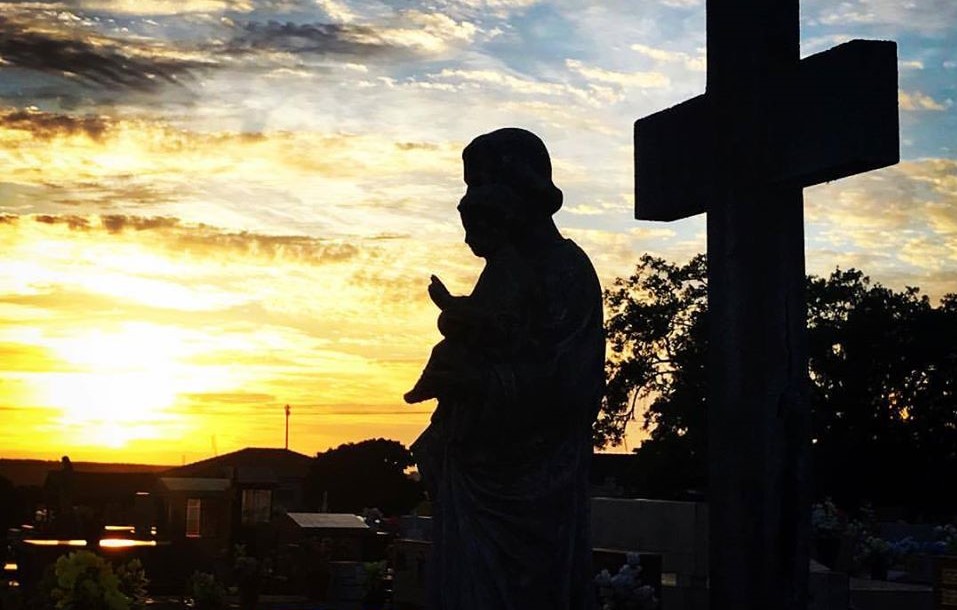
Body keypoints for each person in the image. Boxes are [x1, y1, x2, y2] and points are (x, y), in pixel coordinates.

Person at [410, 128, 605, 610]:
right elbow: (485, 337)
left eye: (482, 189)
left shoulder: (565, 269)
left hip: (533, 489)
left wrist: (479, 380)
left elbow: (572, 387)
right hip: (476, 471)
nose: (473, 206)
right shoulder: (504, 266)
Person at [403, 183, 539, 417]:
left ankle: (428, 385)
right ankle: (427, 386)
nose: (467, 240)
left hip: (502, 346)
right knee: (443, 350)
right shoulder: (499, 267)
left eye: (474, 231)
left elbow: (493, 316)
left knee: (446, 354)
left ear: (497, 227)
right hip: (489, 344)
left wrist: (448, 303)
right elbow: (478, 306)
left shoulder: (510, 268)